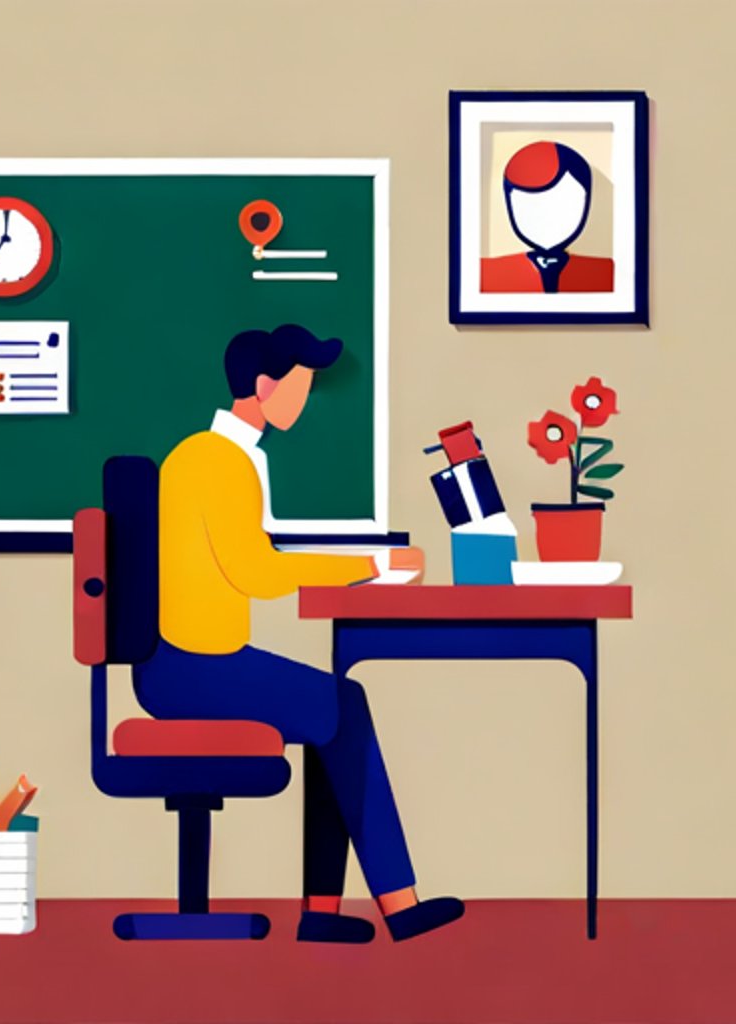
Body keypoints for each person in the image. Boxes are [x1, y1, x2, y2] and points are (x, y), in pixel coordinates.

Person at [133, 323, 465, 943]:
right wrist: (370, 567)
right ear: (263, 387)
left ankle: (327, 913)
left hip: (189, 660)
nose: (305, 401)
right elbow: (256, 571)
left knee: (331, 708)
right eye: (300, 387)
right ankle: (389, 903)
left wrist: (358, 563)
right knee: (342, 704)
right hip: (194, 667)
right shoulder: (219, 462)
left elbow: (254, 554)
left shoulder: (211, 455)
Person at [480, 140, 614, 294]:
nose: (547, 218)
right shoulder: (486, 274)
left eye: (562, 203)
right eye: (529, 207)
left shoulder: (609, 274)